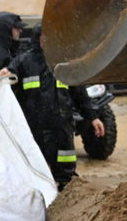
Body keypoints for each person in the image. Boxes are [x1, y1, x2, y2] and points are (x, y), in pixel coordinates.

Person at [11, 25, 104, 190]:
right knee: (35, 168)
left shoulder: (64, 64)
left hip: (61, 126)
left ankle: (67, 190)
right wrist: (3, 73)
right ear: (39, 38)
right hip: (34, 127)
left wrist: (93, 117)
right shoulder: (24, 61)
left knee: (66, 163)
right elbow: (7, 79)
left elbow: (80, 95)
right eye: (46, 38)